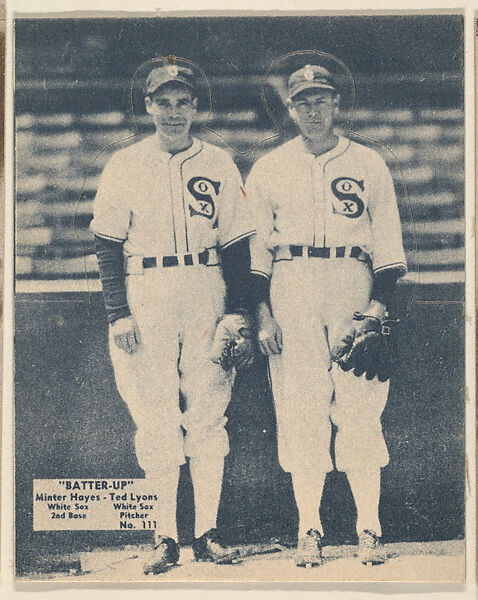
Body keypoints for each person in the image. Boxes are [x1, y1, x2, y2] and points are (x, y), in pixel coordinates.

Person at [91, 59, 255, 574]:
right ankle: (164, 535)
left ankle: (206, 530)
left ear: (196, 107)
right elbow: (106, 243)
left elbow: (237, 245)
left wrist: (238, 312)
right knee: (155, 417)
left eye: (183, 101)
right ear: (148, 106)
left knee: (208, 411)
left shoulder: (220, 162)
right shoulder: (125, 163)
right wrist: (117, 312)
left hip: (206, 285)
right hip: (146, 289)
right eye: (164, 101)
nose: (174, 111)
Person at [246, 62, 407, 567]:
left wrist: (376, 306)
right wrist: (263, 314)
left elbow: (387, 242)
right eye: (303, 102)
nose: (313, 110)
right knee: (300, 408)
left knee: (360, 407)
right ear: (290, 109)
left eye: (322, 99)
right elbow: (256, 252)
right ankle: (309, 529)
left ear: (336, 104)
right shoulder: (269, 167)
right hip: (291, 283)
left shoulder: (368, 163)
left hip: (351, 281)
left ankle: (369, 530)